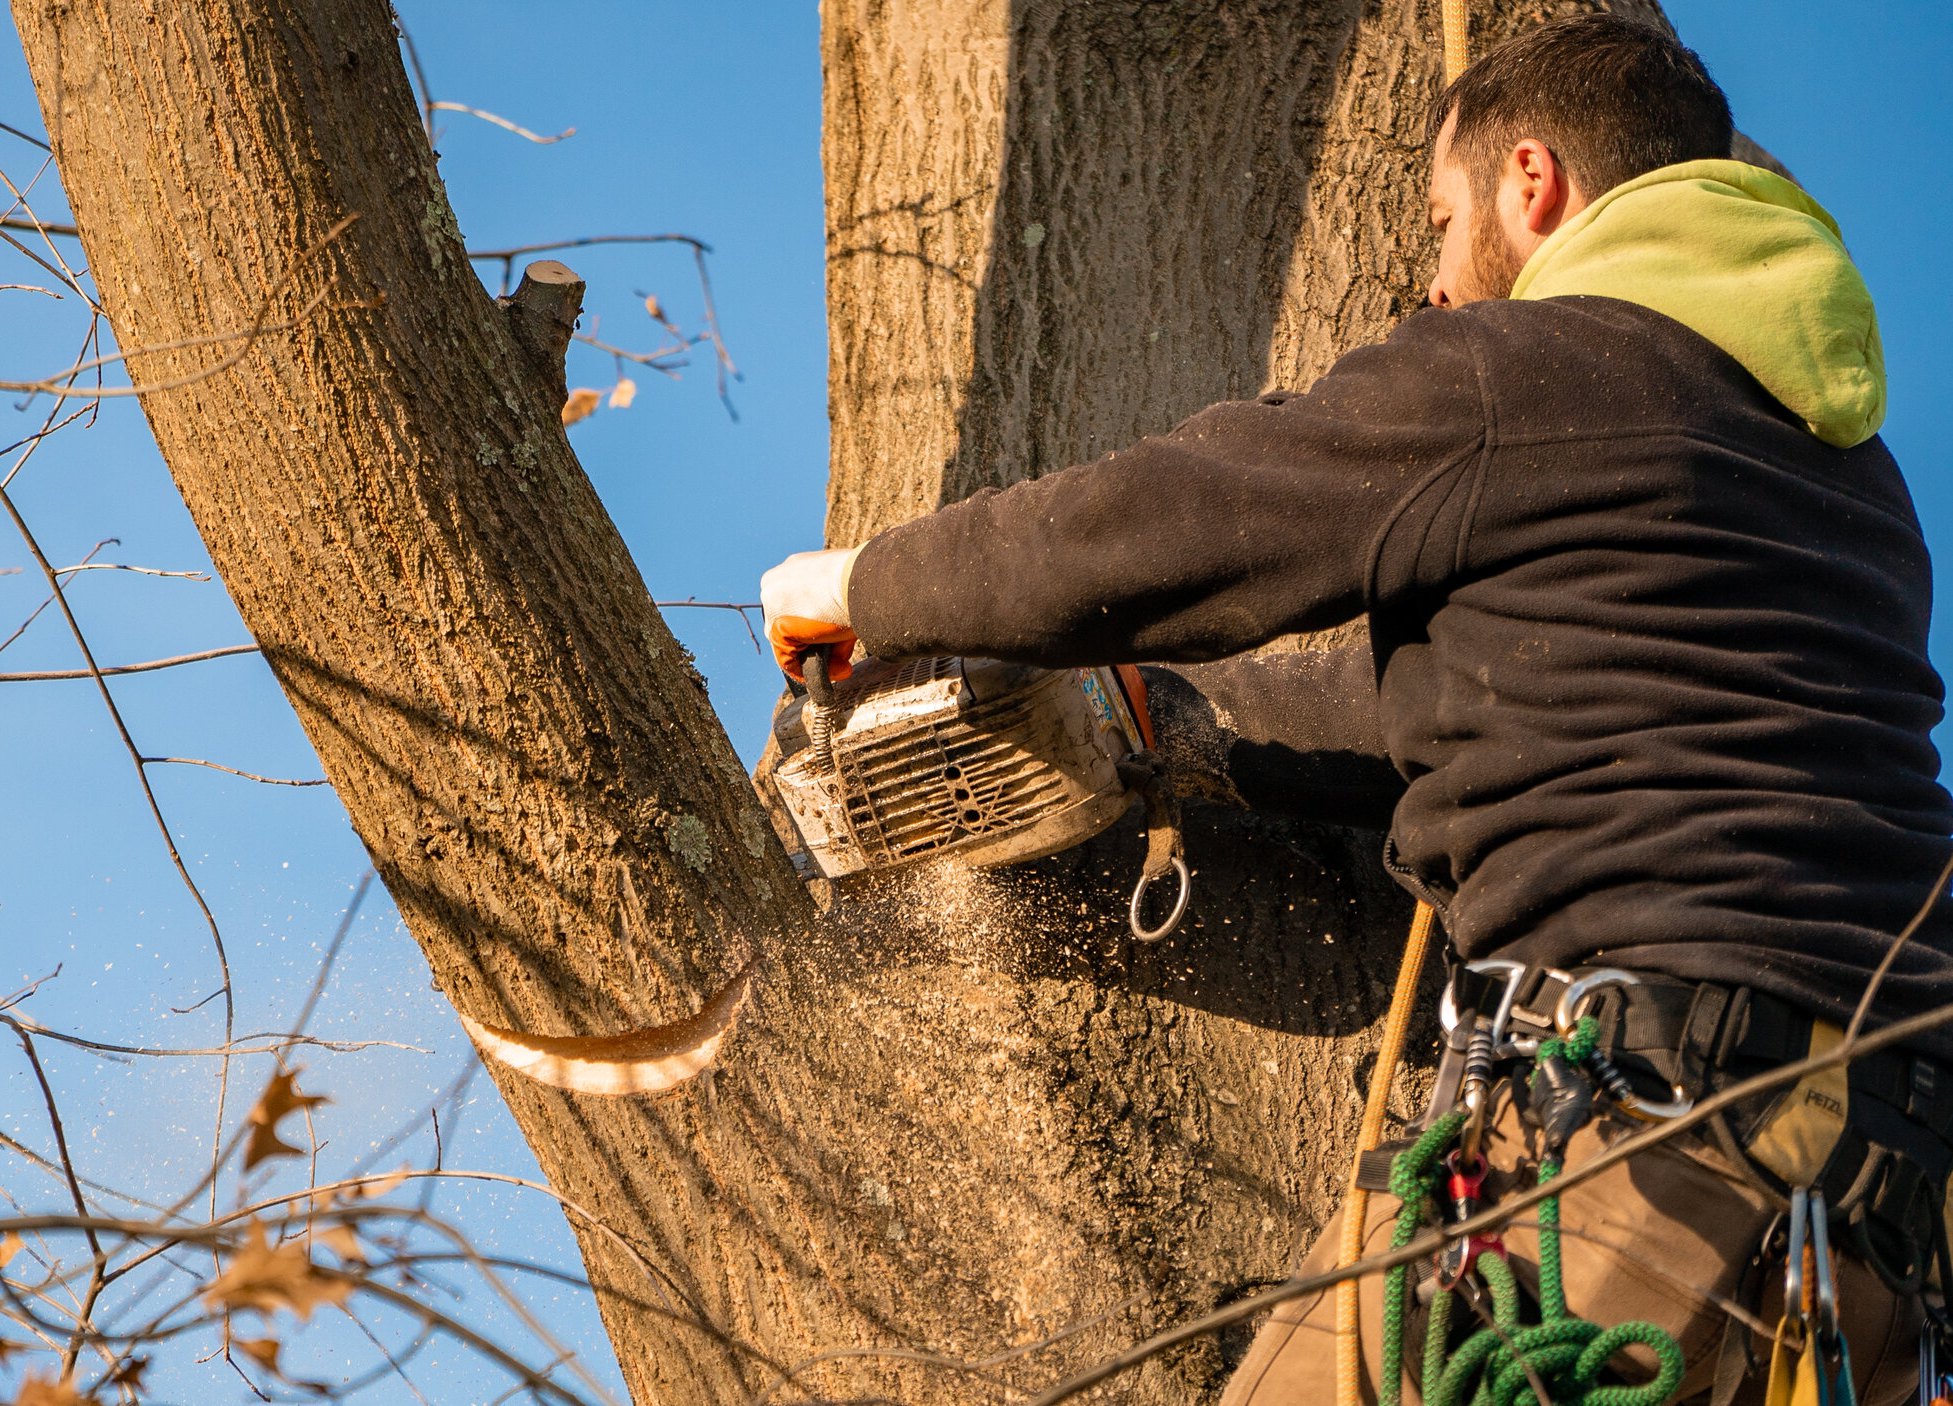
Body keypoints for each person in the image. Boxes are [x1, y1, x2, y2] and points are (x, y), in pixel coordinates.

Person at [761, 15, 1952, 1404]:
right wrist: (1168, 722)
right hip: (1879, 1227)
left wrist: (872, 584)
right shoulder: (1855, 487)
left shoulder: (1524, 369)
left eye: (1443, 223)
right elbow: (1482, 705)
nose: (1436, 283)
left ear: (1534, 184)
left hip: (1625, 1155)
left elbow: (1178, 519)